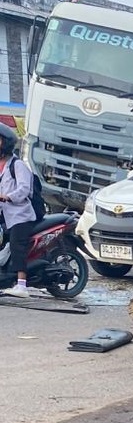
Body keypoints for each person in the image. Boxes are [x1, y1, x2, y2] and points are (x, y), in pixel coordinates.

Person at [0, 123, 36, 298]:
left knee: (16, 245)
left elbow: (24, 189)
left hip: (20, 216)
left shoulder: (18, 164)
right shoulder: (1, 166)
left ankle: (22, 285)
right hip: (5, 216)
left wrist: (8, 196)